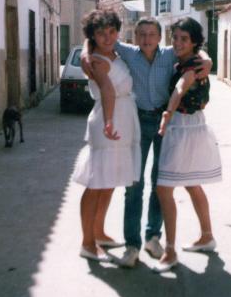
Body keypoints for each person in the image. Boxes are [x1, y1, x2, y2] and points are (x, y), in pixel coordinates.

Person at [82, 17, 212, 268]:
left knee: (160, 182)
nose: (146, 39)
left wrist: (207, 60)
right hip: (137, 122)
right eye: (141, 34)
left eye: (152, 34)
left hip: (166, 123)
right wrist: (85, 55)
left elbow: (197, 51)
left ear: (160, 37)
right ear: (135, 37)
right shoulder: (129, 53)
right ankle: (132, 245)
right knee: (134, 184)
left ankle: (153, 237)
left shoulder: (170, 54)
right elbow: (96, 41)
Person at [155, 17, 222, 273]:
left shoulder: (192, 66)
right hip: (190, 126)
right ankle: (207, 236)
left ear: (194, 42)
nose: (178, 43)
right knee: (192, 184)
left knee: (164, 189)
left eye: (184, 39)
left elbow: (180, 88)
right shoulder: (191, 60)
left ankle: (170, 251)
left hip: (183, 127)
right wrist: (206, 57)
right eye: (175, 38)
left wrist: (167, 114)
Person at [73, 9, 141, 261]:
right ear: (93, 35)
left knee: (109, 181)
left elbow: (89, 44)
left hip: (122, 120)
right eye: (101, 33)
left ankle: (99, 233)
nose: (108, 37)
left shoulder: (112, 53)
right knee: (96, 183)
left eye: (112, 31)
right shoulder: (97, 60)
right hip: (108, 121)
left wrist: (85, 48)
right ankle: (87, 243)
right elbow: (107, 90)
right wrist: (109, 121)